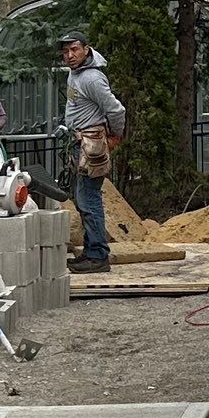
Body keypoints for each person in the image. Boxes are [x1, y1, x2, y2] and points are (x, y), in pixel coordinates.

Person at [58, 33, 126, 271]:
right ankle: (90, 250)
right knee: (83, 198)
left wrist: (115, 135)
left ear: (87, 49)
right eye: (66, 52)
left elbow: (116, 110)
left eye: (74, 49)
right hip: (79, 143)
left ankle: (98, 256)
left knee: (90, 199)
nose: (70, 56)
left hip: (91, 144)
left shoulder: (92, 79)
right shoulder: (74, 74)